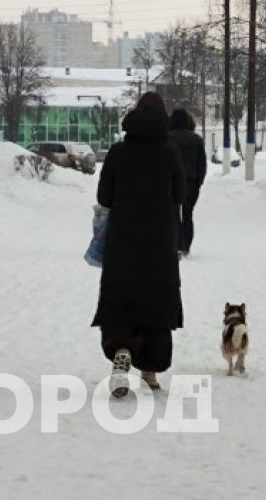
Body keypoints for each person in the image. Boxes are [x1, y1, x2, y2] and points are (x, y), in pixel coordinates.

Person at [92, 92, 185, 395]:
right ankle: (150, 370)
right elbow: (180, 194)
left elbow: (104, 196)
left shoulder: (118, 152)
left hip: (123, 240)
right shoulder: (170, 153)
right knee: (156, 301)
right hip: (159, 241)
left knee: (122, 298)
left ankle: (121, 351)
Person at [168, 108, 206, 257]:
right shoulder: (196, 139)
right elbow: (202, 164)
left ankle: (177, 243)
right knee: (188, 214)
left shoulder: (167, 138)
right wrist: (198, 182)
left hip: (172, 182)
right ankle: (186, 246)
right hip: (191, 182)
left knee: (174, 213)